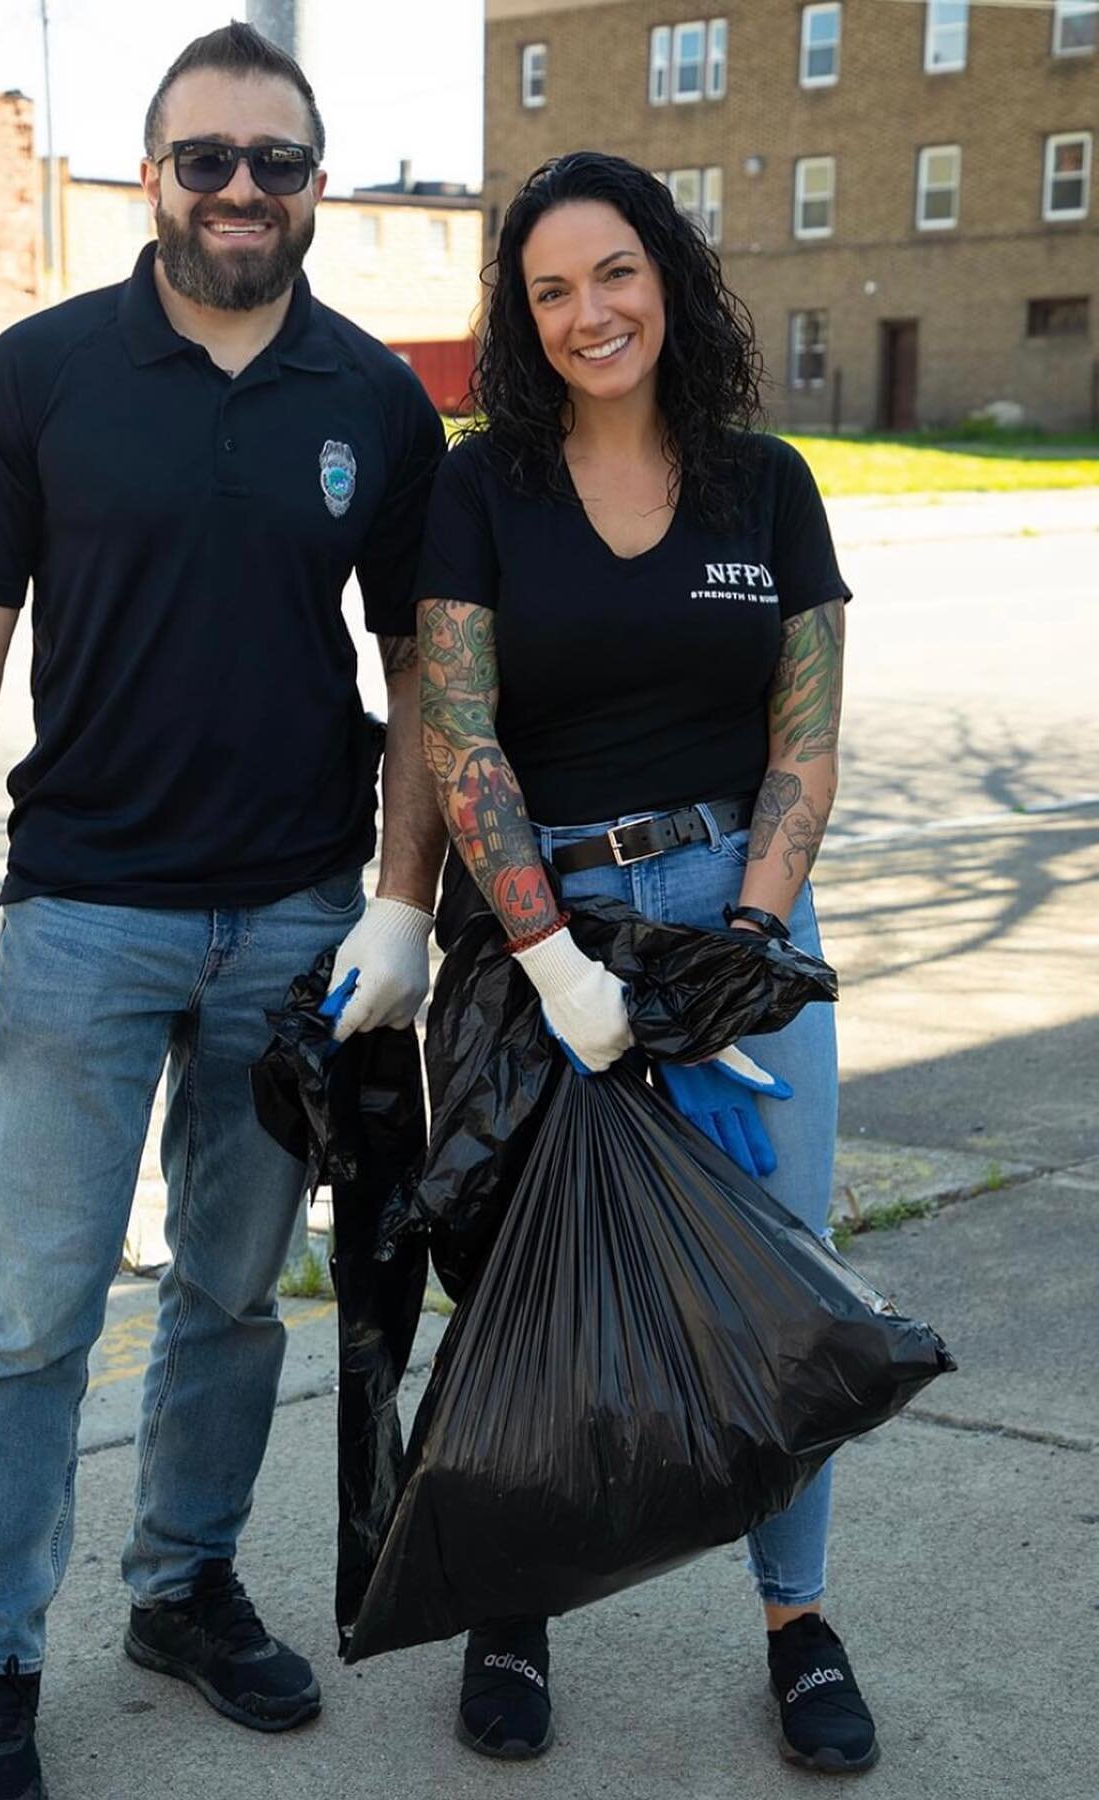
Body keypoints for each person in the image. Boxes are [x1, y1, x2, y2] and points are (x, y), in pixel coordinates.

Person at [0, 24, 448, 1800]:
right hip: (80, 926)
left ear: (316, 186)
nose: (241, 190)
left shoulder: (371, 398)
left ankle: (184, 1586)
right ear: (152, 176)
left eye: (276, 161)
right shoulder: (41, 372)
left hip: (290, 930)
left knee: (228, 1298)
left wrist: (402, 901)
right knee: (34, 1313)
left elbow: (422, 664)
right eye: (207, 157)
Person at [415, 152, 872, 1773]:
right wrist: (550, 964)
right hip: (557, 924)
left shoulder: (771, 484)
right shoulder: (484, 491)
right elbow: (457, 728)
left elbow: (804, 740)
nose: (587, 312)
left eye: (613, 273)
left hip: (738, 915)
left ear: (666, 277)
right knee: (538, 1285)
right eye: (548, 290)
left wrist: (752, 938)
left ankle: (798, 1622)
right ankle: (514, 1610)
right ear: (521, 319)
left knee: (786, 1286)